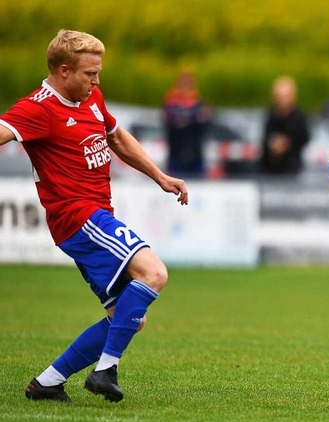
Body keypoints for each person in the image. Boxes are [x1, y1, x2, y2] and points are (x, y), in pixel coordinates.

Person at [0, 29, 189, 403]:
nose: (97, 81)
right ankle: (105, 370)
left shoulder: (92, 98)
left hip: (95, 215)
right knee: (154, 273)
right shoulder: (38, 107)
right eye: (90, 74)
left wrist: (160, 176)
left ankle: (48, 383)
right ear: (64, 70)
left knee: (129, 317)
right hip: (78, 217)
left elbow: (117, 138)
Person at [163, 69, 210, 178]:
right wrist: (193, 119)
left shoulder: (197, 100)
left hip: (195, 151)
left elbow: (204, 120)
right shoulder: (171, 101)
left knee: (198, 184)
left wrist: (186, 121)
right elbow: (170, 123)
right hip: (176, 151)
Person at [260, 76, 310, 175]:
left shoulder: (299, 118)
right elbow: (264, 141)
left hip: (295, 171)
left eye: (284, 97)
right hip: (270, 172)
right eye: (278, 97)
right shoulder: (270, 116)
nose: (281, 101)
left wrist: (286, 145)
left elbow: (305, 141)